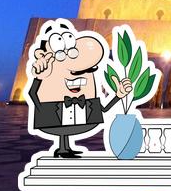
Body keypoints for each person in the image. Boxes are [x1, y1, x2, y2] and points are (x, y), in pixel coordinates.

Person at [26, 20, 133, 157]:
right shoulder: (49, 75)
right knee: (62, 127)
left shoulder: (87, 99)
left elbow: (103, 109)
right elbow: (32, 92)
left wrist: (118, 95)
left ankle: (65, 148)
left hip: (77, 110)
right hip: (56, 111)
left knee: (66, 128)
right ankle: (63, 148)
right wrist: (42, 108)